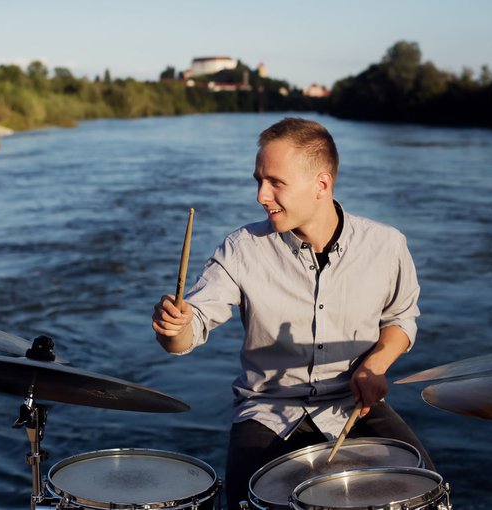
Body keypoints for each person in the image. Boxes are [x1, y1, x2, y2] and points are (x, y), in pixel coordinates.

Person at [152, 117, 433, 509]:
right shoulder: (241, 248)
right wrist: (173, 328)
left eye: (275, 183)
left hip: (351, 406)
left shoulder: (386, 246)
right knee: (247, 503)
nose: (261, 196)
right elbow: (190, 328)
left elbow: (400, 319)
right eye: (258, 181)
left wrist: (376, 366)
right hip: (267, 411)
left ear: (321, 184)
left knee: (425, 491)